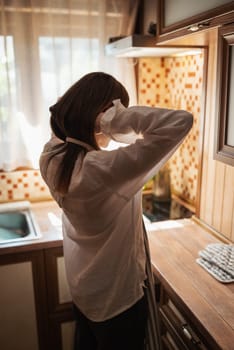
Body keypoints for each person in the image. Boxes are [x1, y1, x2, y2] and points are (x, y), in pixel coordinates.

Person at [40, 71, 193, 350]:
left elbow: (59, 130)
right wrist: (111, 120)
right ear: (104, 116)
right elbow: (180, 122)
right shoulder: (104, 169)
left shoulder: (51, 157)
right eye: (115, 109)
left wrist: (81, 114)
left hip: (84, 291)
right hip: (117, 300)